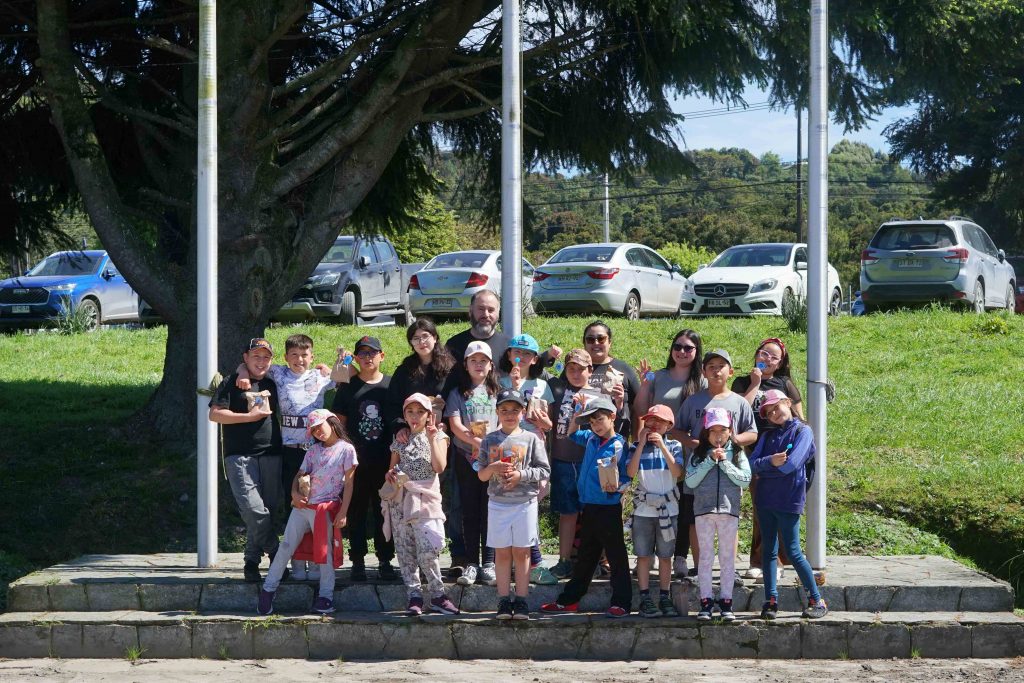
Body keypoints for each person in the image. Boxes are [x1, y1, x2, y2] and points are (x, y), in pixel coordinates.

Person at [234, 333, 337, 581]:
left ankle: (317, 559)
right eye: (294, 355)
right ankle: (298, 560)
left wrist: (332, 367)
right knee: (295, 505)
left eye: (304, 355)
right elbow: (246, 364)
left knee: (317, 504)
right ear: (285, 357)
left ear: (312, 356)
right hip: (289, 451)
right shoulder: (279, 374)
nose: (299, 359)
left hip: (317, 451)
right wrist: (242, 374)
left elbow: (349, 376)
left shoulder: (320, 376)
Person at [674, 349, 757, 591]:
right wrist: (693, 443)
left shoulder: (739, 402)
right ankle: (702, 571)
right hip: (699, 472)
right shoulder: (694, 401)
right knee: (695, 521)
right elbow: (677, 429)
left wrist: (734, 442)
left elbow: (752, 432)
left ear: (730, 371)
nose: (716, 370)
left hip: (730, 473)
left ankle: (729, 571)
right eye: (711, 366)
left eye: (722, 365)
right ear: (703, 371)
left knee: (730, 521)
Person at [257, 410, 355, 615]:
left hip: (325, 509)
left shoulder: (347, 450)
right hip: (302, 507)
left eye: (320, 426)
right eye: (314, 430)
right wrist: (294, 493)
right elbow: (300, 474)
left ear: (332, 422)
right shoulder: (312, 451)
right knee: (286, 546)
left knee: (324, 552)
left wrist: (343, 512)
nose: (318, 432)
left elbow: (349, 484)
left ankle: (326, 596)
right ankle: (268, 589)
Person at [541, 396, 631, 618]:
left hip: (609, 507)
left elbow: (629, 474)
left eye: (600, 420)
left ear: (612, 417)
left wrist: (620, 488)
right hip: (589, 506)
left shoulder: (620, 444)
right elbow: (571, 433)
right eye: (592, 422)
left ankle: (622, 602)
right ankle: (569, 600)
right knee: (585, 556)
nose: (596, 426)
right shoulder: (590, 438)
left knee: (616, 556)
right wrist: (578, 412)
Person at [386, 318, 464, 574]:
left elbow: (462, 395)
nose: (422, 342)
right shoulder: (405, 370)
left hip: (444, 437)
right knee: (411, 499)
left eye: (426, 336)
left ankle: (456, 555)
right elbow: (393, 404)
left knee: (449, 497)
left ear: (435, 337)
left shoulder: (451, 367)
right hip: (413, 443)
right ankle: (415, 556)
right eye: (416, 338)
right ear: (411, 342)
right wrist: (401, 427)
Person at [208, 338, 284, 583]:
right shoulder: (232, 381)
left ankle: (251, 561)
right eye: (255, 356)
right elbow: (215, 414)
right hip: (240, 455)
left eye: (266, 357)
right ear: (245, 357)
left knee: (268, 511)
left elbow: (300, 373)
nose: (261, 362)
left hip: (272, 453)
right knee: (253, 509)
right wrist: (248, 417)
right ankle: (276, 551)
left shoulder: (275, 380)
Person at [748, 389, 826, 619]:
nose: (773, 413)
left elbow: (791, 465)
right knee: (768, 552)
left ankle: (816, 599)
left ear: (788, 402)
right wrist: (770, 461)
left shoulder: (804, 431)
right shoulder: (767, 436)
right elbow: (751, 465)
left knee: (792, 551)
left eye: (776, 407)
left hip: (789, 498)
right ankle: (770, 600)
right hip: (764, 499)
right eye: (768, 412)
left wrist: (766, 470)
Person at [635, 329, 706, 580]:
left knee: (685, 506)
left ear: (697, 352)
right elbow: (641, 409)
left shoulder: (702, 381)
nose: (682, 352)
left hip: (688, 449)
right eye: (678, 346)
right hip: (658, 447)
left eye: (688, 348)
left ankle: (679, 557)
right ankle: (651, 554)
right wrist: (644, 384)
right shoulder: (659, 376)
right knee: (658, 497)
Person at [731, 337, 803, 582]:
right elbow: (739, 411)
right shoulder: (743, 381)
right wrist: (755, 383)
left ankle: (778, 560)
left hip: (782, 448)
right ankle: (758, 559)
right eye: (764, 353)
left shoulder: (785, 383)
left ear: (781, 362)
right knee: (761, 505)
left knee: (780, 504)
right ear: (756, 354)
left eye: (774, 357)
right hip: (753, 449)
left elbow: (799, 419)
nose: (767, 359)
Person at [476, 388, 551, 620]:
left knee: (522, 551)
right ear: (497, 412)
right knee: (502, 552)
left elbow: (544, 470)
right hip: (498, 504)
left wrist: (521, 475)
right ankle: (502, 600)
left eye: (515, 410)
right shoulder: (489, 439)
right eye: (505, 410)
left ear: (523, 412)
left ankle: (521, 600)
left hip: (524, 503)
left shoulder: (531, 438)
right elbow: (481, 474)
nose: (510, 414)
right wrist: (493, 468)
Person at [382, 393, 459, 615]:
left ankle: (438, 595)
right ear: (404, 415)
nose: (415, 417)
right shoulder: (400, 438)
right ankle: (413, 596)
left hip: (426, 499)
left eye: (420, 412)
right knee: (405, 552)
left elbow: (439, 467)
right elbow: (391, 467)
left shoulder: (440, 436)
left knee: (428, 550)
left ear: (429, 414)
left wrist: (433, 437)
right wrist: (391, 474)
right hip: (401, 498)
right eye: (410, 412)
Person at [330, 335, 396, 582]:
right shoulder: (348, 387)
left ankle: (385, 560)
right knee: (355, 512)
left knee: (384, 512)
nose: (368, 358)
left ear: (382, 356)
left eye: (372, 353)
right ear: (356, 357)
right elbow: (339, 423)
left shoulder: (391, 385)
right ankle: (357, 560)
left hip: (386, 461)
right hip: (355, 463)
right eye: (363, 354)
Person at [496, 333, 558, 585]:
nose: (520, 359)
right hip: (507, 448)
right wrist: (511, 385)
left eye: (527, 355)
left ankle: (534, 560)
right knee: (507, 502)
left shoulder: (543, 386)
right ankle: (510, 559)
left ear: (534, 359)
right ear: (509, 355)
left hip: (534, 450)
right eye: (516, 353)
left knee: (530, 503)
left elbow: (549, 423)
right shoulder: (499, 382)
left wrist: (544, 422)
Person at [684, 408, 751, 621]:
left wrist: (725, 463)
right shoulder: (698, 453)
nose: (718, 435)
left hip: (728, 511)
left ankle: (726, 602)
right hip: (703, 511)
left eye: (723, 429)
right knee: (705, 557)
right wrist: (709, 462)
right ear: (706, 433)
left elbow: (745, 480)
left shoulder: (738, 453)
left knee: (727, 558)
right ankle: (705, 602)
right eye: (713, 431)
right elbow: (690, 481)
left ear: (730, 431)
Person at [445, 340, 501, 587]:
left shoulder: (497, 391)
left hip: (492, 458)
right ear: (465, 365)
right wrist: (474, 441)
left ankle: (489, 562)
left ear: (491, 365)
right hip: (466, 458)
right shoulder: (458, 393)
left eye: (483, 361)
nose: (478, 365)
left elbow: (503, 423)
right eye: (473, 361)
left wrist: (488, 445)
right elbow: (455, 425)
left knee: (489, 508)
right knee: (469, 509)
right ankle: (471, 563)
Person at [626, 404, 685, 618]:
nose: (653, 424)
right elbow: (631, 471)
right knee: (643, 555)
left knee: (665, 555)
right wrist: (640, 444)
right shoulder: (635, 447)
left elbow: (677, 472)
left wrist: (663, 447)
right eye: (650, 420)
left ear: (669, 426)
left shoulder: (675, 445)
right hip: (643, 510)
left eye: (659, 421)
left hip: (669, 509)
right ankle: (644, 597)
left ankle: (664, 595)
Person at [546, 348, 598, 579]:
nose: (576, 373)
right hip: (562, 461)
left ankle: (591, 560)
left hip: (589, 462)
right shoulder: (557, 389)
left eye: (581, 369)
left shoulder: (599, 394)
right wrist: (549, 357)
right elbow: (537, 371)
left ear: (591, 370)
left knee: (591, 514)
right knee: (567, 513)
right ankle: (564, 559)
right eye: (571, 368)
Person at [580, 320, 640, 437]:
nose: (596, 343)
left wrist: (637, 443)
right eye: (590, 339)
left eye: (601, 339)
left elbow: (638, 410)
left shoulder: (624, 369)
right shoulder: (575, 369)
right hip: (581, 445)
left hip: (616, 445)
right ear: (584, 343)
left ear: (610, 342)